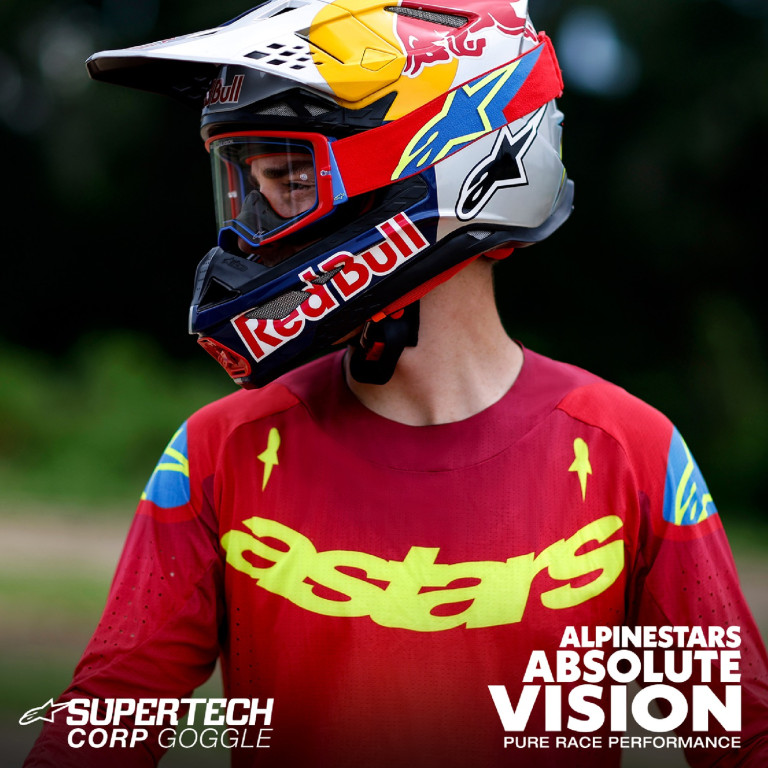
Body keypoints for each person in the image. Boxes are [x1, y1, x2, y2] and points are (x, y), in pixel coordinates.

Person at [24, 1, 768, 766]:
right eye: (245, 183)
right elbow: (102, 725)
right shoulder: (218, 454)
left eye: (289, 177)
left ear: (446, 170)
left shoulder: (631, 453)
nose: (252, 228)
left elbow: (740, 737)